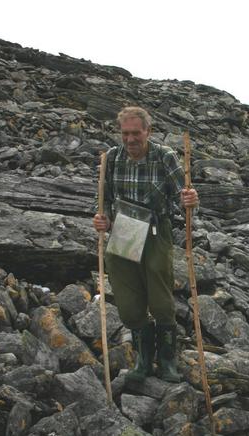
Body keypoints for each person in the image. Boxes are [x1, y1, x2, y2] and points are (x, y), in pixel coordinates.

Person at [93, 106, 199, 383]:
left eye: (136, 133)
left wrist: (190, 201)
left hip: (155, 231)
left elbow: (183, 199)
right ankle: (143, 359)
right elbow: (103, 200)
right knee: (128, 306)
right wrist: (101, 219)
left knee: (161, 302)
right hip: (123, 231)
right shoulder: (112, 158)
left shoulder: (165, 157)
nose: (130, 140)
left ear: (147, 132)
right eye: (125, 133)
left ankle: (166, 360)